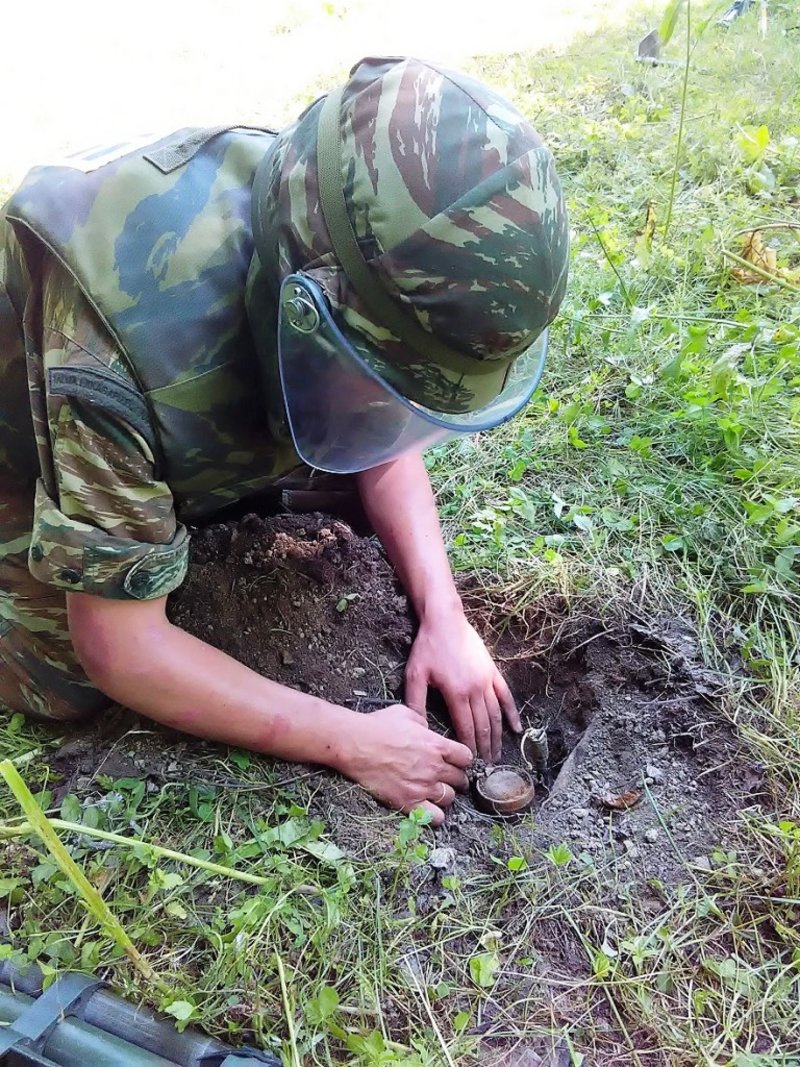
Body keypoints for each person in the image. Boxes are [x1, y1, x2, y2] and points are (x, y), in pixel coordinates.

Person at [0, 56, 569, 824]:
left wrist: (446, 614)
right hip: (24, 448)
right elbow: (117, 645)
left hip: (166, 393)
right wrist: (347, 739)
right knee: (63, 672)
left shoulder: (350, 229)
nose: (390, 412)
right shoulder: (113, 342)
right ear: (304, 307)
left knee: (337, 459)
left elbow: (383, 432)